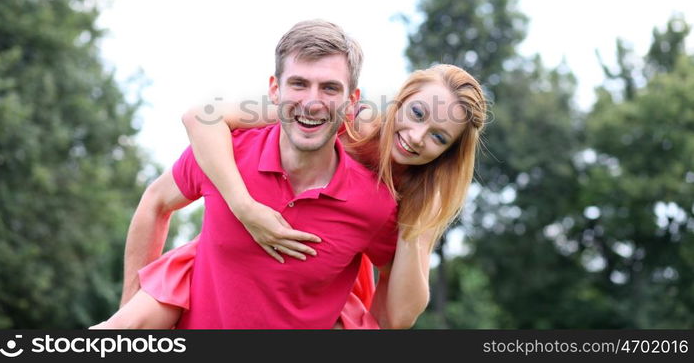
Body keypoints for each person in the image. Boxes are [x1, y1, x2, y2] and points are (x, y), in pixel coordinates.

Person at [94, 23, 487, 329]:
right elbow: (203, 117)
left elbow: (398, 315)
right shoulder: (344, 117)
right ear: (399, 102)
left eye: (438, 137)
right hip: (225, 250)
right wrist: (246, 208)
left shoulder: (400, 201)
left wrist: (418, 222)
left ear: (448, 154)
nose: (417, 138)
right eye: (416, 114)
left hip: (320, 282)